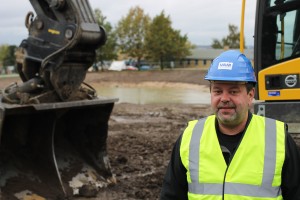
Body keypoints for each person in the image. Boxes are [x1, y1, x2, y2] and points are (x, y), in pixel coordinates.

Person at [160, 50, 300, 200]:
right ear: (211, 93)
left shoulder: (278, 139)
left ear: (250, 95)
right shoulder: (190, 137)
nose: (224, 98)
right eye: (218, 91)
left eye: (233, 91)